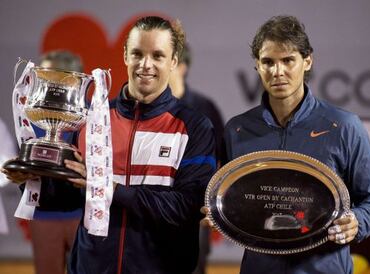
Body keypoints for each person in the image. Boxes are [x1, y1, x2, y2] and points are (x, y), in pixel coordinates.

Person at [202, 15, 370, 274]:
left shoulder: (344, 125)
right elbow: (231, 197)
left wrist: (358, 221)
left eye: (288, 60)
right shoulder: (237, 129)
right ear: (257, 66)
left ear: (307, 61)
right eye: (268, 62)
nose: (278, 71)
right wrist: (219, 212)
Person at [60, 16, 215, 274]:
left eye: (157, 55)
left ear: (174, 61)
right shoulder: (94, 119)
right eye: (137, 54)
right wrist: (33, 179)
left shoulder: (194, 127)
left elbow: (187, 208)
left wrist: (114, 190)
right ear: (125, 56)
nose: (146, 65)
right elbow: (68, 196)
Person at [2, 50, 84, 274]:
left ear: (72, 79)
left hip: (81, 214)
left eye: (51, 77)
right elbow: (25, 168)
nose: (44, 83)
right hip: (43, 214)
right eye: (42, 77)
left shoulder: (87, 119)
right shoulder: (32, 116)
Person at [169, 43, 224, 274]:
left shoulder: (205, 108)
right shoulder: (146, 107)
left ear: (181, 67)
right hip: (152, 205)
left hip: (194, 212)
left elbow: (222, 158)